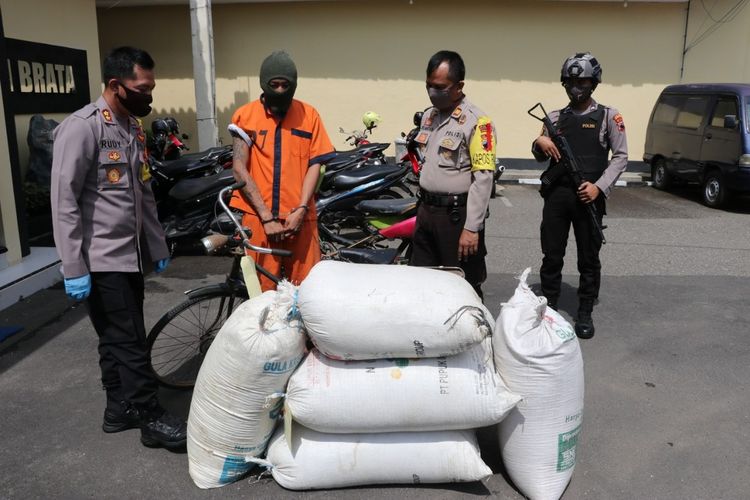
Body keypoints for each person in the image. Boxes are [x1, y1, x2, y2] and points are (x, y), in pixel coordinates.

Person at [51, 46, 186, 449]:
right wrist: (73, 267)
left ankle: (118, 408)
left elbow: (143, 191)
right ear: (115, 85)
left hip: (130, 256)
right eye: (142, 88)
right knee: (128, 340)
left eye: (152, 88)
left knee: (115, 336)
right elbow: (64, 201)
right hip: (101, 259)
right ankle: (150, 416)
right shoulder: (82, 127)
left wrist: (156, 244)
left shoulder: (131, 127)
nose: (149, 96)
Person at [531, 52, 628, 339]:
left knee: (588, 258)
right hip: (558, 197)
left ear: (593, 82)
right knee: (552, 255)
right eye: (571, 81)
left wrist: (600, 186)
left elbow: (621, 157)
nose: (576, 87)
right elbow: (538, 155)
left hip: (590, 197)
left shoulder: (610, 116)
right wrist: (539, 140)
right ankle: (547, 308)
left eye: (582, 80)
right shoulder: (554, 117)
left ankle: (584, 310)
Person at [230, 50, 335, 291]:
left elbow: (315, 165)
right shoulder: (245, 117)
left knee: (306, 294)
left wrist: (300, 208)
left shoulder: (309, 115)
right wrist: (266, 217)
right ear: (263, 84)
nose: (279, 90)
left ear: (294, 85)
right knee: (260, 294)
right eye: (273, 84)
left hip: (299, 218)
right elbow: (239, 169)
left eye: (285, 85)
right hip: (259, 220)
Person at [409, 50, 497, 299]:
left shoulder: (479, 123)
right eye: (428, 86)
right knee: (422, 282)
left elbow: (483, 179)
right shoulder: (429, 116)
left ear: (459, 87)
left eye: (440, 87)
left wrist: (472, 228)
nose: (432, 92)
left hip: (456, 218)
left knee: (462, 287)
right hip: (426, 212)